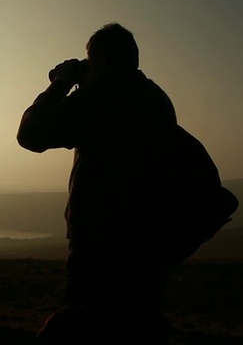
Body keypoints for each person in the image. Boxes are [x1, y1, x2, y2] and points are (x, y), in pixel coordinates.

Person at [17, 23, 178, 344]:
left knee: (91, 324)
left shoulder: (101, 99)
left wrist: (60, 84)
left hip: (101, 243)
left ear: (102, 61)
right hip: (150, 240)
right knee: (141, 324)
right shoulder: (155, 97)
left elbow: (31, 134)